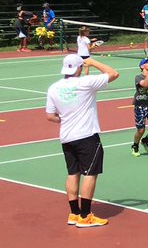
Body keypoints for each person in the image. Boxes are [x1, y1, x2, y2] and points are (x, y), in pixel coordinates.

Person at [45, 54, 120, 228]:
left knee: (73, 173)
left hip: (66, 137)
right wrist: (93, 62)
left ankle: (74, 213)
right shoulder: (85, 83)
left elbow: (50, 116)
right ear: (79, 68)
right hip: (86, 136)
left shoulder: (53, 88)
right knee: (90, 174)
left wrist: (65, 119)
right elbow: (113, 73)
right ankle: (85, 216)